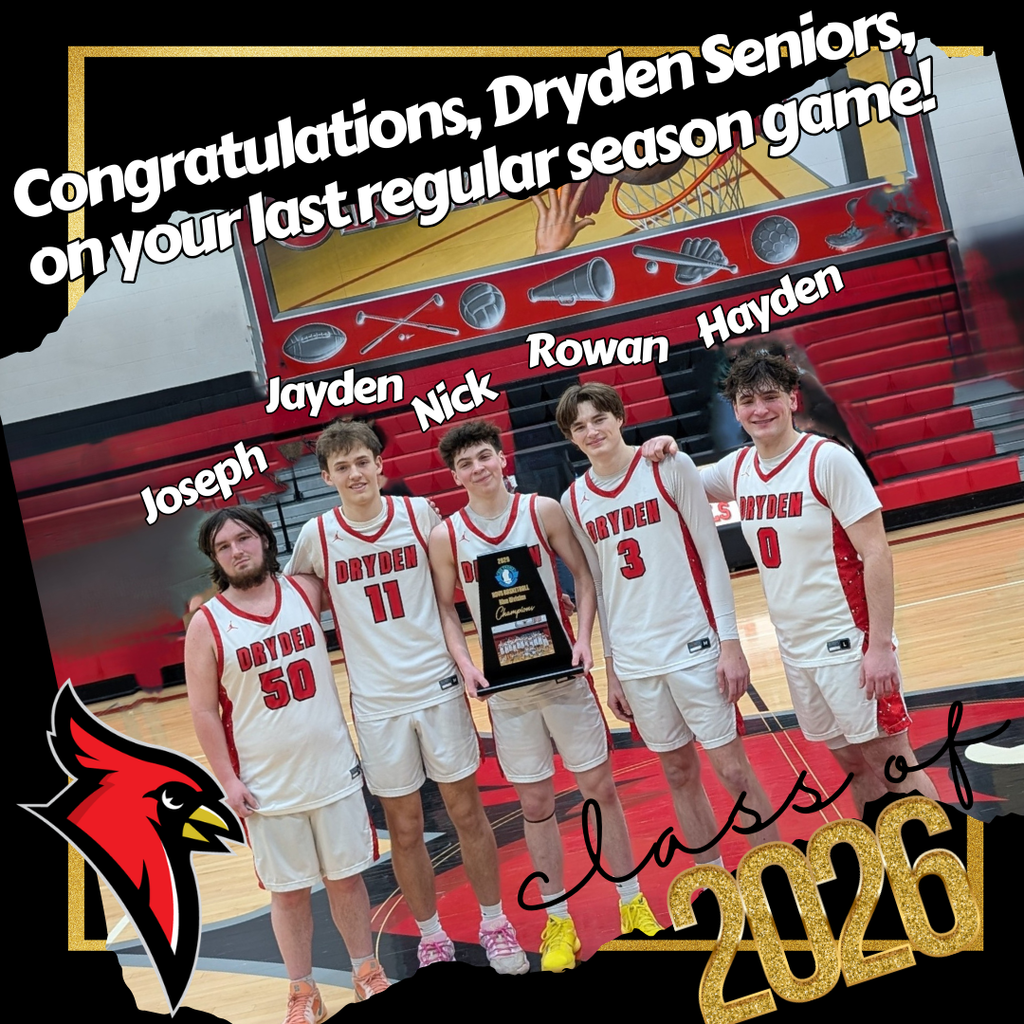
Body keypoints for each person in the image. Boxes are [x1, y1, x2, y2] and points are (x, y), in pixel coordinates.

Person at [643, 350, 939, 814]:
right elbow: (681, 480)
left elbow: (877, 553)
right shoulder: (739, 469)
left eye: (769, 397)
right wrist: (664, 446)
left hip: (849, 639)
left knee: (890, 759)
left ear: (792, 399)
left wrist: (879, 645)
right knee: (851, 764)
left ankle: (951, 864)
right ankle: (889, 855)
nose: (759, 409)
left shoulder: (828, 459)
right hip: (796, 650)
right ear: (735, 410)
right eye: (747, 401)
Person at [285, 420, 528, 975]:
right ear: (326, 477)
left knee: (468, 812)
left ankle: (495, 924)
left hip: (438, 686)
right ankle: (431, 935)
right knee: (405, 828)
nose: (355, 473)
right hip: (377, 703)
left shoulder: (419, 516)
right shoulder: (316, 537)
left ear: (379, 466)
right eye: (342, 466)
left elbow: (468, 572)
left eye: (362, 462)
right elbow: (288, 612)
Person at [428, 420, 663, 973]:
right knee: (535, 807)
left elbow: (584, 575)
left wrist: (583, 640)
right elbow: (443, 606)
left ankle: (633, 903)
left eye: (484, 456)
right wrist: (465, 667)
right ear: (455, 475)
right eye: (465, 464)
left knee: (599, 789)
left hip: (562, 677)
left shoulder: (542, 510)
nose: (477, 468)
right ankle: (559, 920)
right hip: (507, 693)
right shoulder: (448, 535)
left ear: (501, 459)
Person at [553, 382, 780, 871]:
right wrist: (613, 668)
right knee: (677, 773)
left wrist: (730, 643)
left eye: (598, 419)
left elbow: (712, 557)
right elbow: (600, 585)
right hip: (636, 659)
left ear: (618, 416)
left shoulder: (667, 465)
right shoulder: (574, 500)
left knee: (734, 770)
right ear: (571, 438)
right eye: (579, 427)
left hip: (694, 644)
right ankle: (713, 879)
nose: (592, 431)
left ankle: (775, 874)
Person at [184, 507, 389, 1022]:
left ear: (264, 541)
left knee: (346, 880)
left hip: (332, 769)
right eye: (224, 546)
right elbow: (204, 710)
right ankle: (302, 991)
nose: (237, 550)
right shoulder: (207, 624)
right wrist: (226, 781)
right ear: (215, 559)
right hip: (265, 786)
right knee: (289, 892)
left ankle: (366, 970)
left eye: (244, 538)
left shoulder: (304, 589)